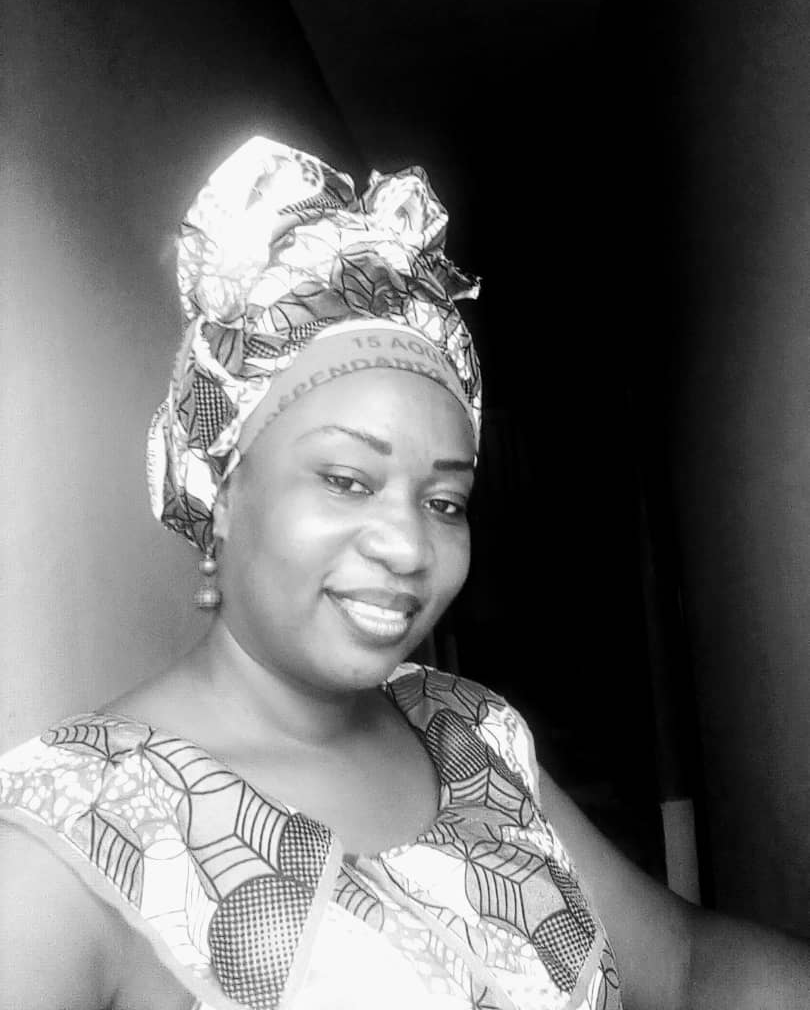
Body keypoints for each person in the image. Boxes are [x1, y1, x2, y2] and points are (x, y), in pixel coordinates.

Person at [0, 136, 808, 1010]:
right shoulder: (67, 836)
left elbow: (683, 967)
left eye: (444, 501)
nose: (411, 547)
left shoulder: (470, 731)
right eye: (347, 480)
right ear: (222, 492)